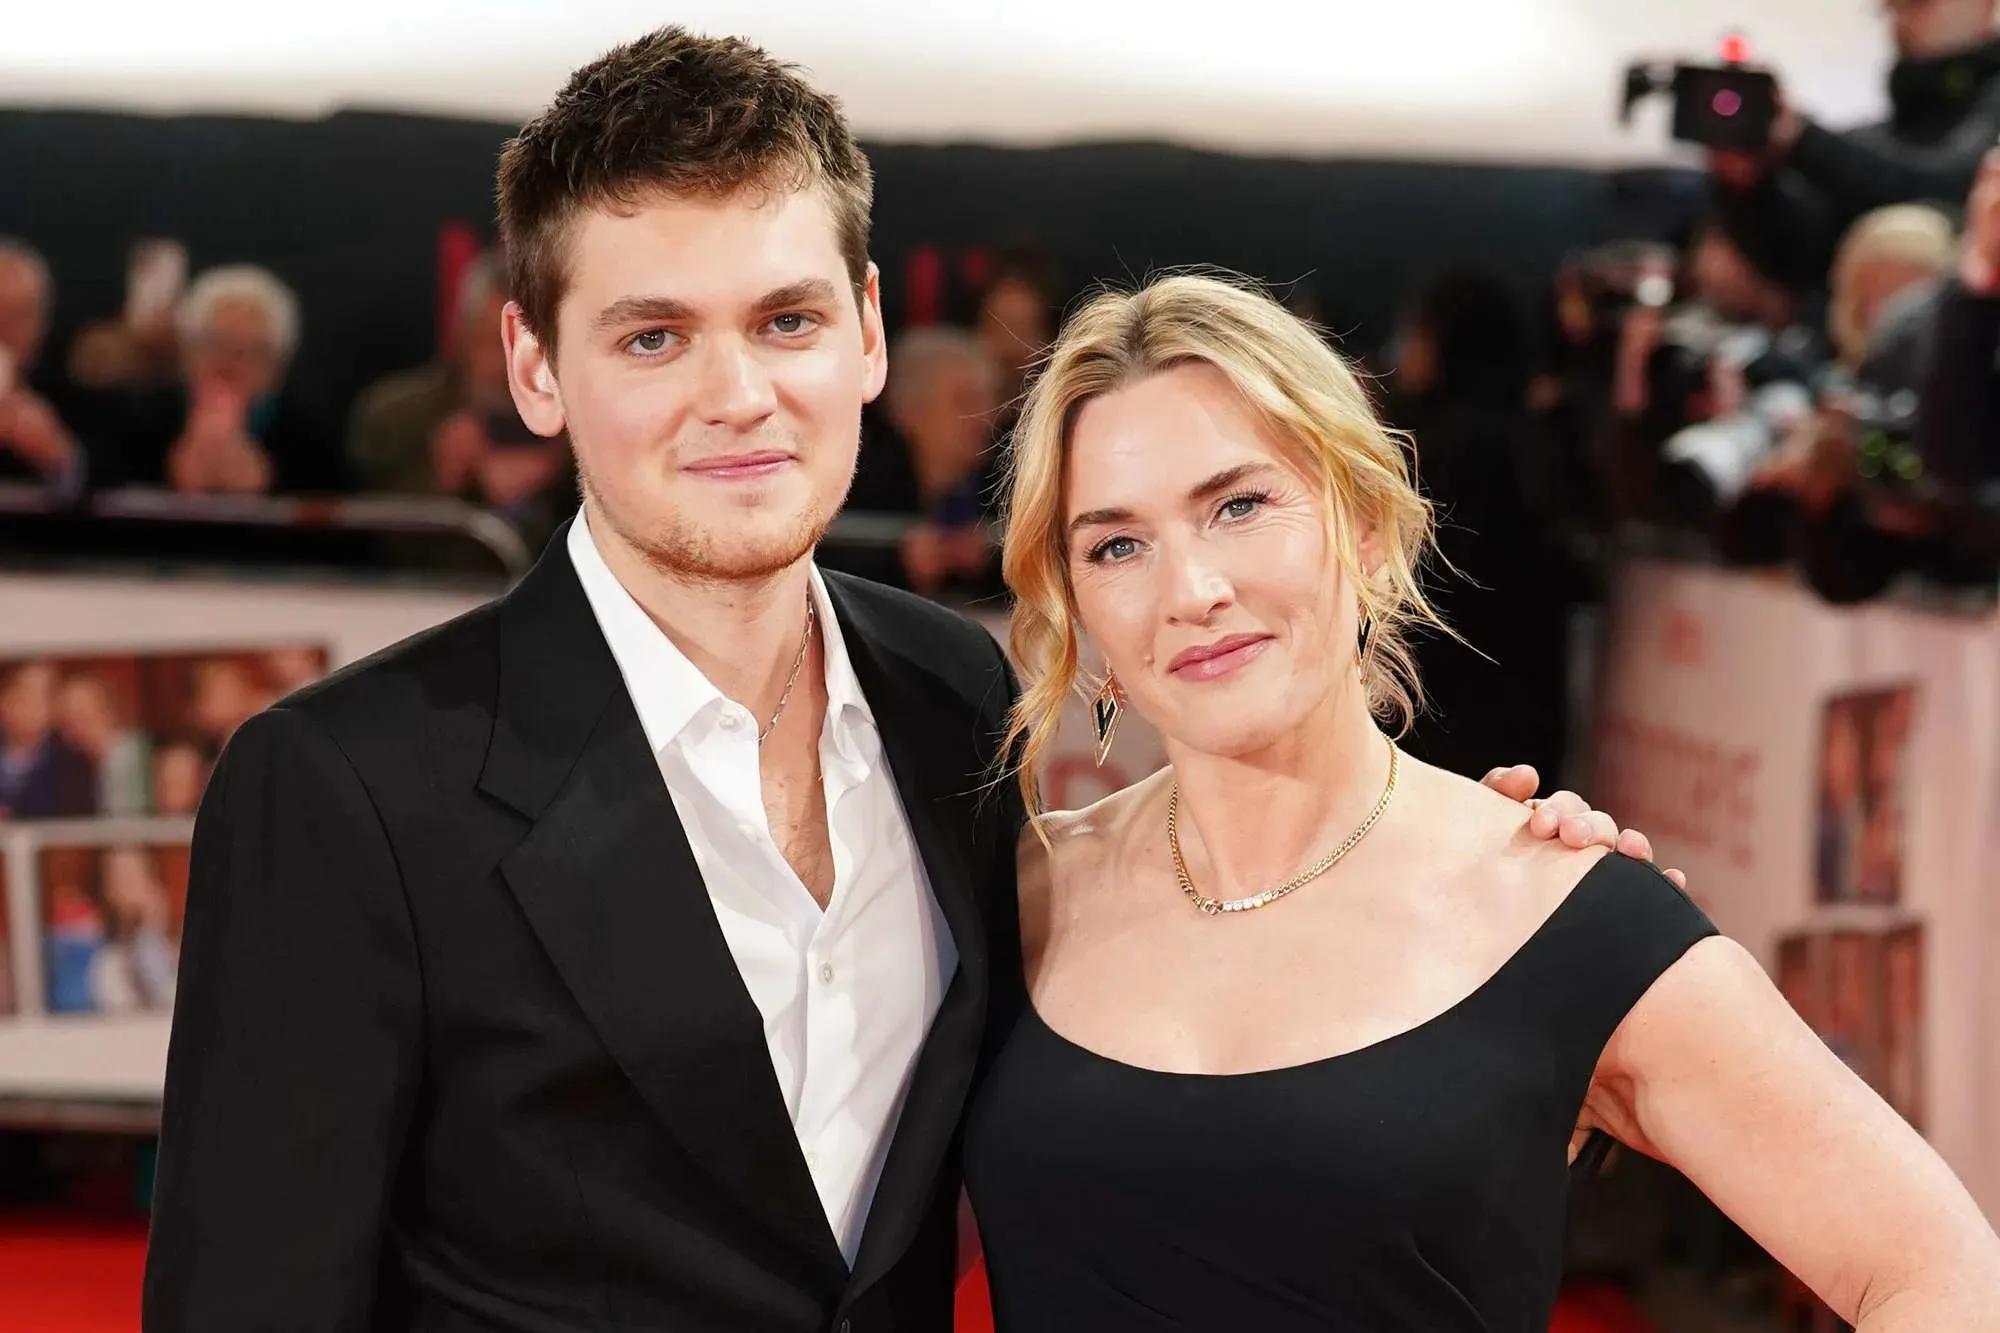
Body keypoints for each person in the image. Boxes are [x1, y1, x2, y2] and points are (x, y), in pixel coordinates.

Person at [144, 28, 1659, 1333]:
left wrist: (1471, 915)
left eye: (786, 320)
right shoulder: (348, 789)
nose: (739, 395)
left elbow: (1149, 990)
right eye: (653, 336)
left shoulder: (952, 697)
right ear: (536, 367)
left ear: (866, 331)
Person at [962, 272, 2000, 1332]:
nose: (1191, 590)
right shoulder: (1019, 892)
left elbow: (1941, 1277)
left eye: (1239, 506)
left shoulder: (1561, 912)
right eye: (1117, 545)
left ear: (1366, 526)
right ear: (1074, 598)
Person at [1713, 0, 2000, 292]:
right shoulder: (1881, 137)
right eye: (1891, 7)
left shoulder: (1988, 113)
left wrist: (1803, 138)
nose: (1899, 21)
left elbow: (1955, 186)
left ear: (1985, 5)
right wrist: (1751, 183)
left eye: (1916, 4)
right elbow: (1805, 257)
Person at [118, 264, 339, 494]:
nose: (231, 365)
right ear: (186, 352)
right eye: (216, 344)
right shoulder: (136, 421)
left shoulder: (311, 440)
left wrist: (267, 486)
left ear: (278, 368)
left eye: (254, 352)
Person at [0, 238, 85, 493]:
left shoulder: (68, 389)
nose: (5, 330)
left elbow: (91, 482)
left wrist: (56, 456)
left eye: (18, 316)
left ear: (42, 323)